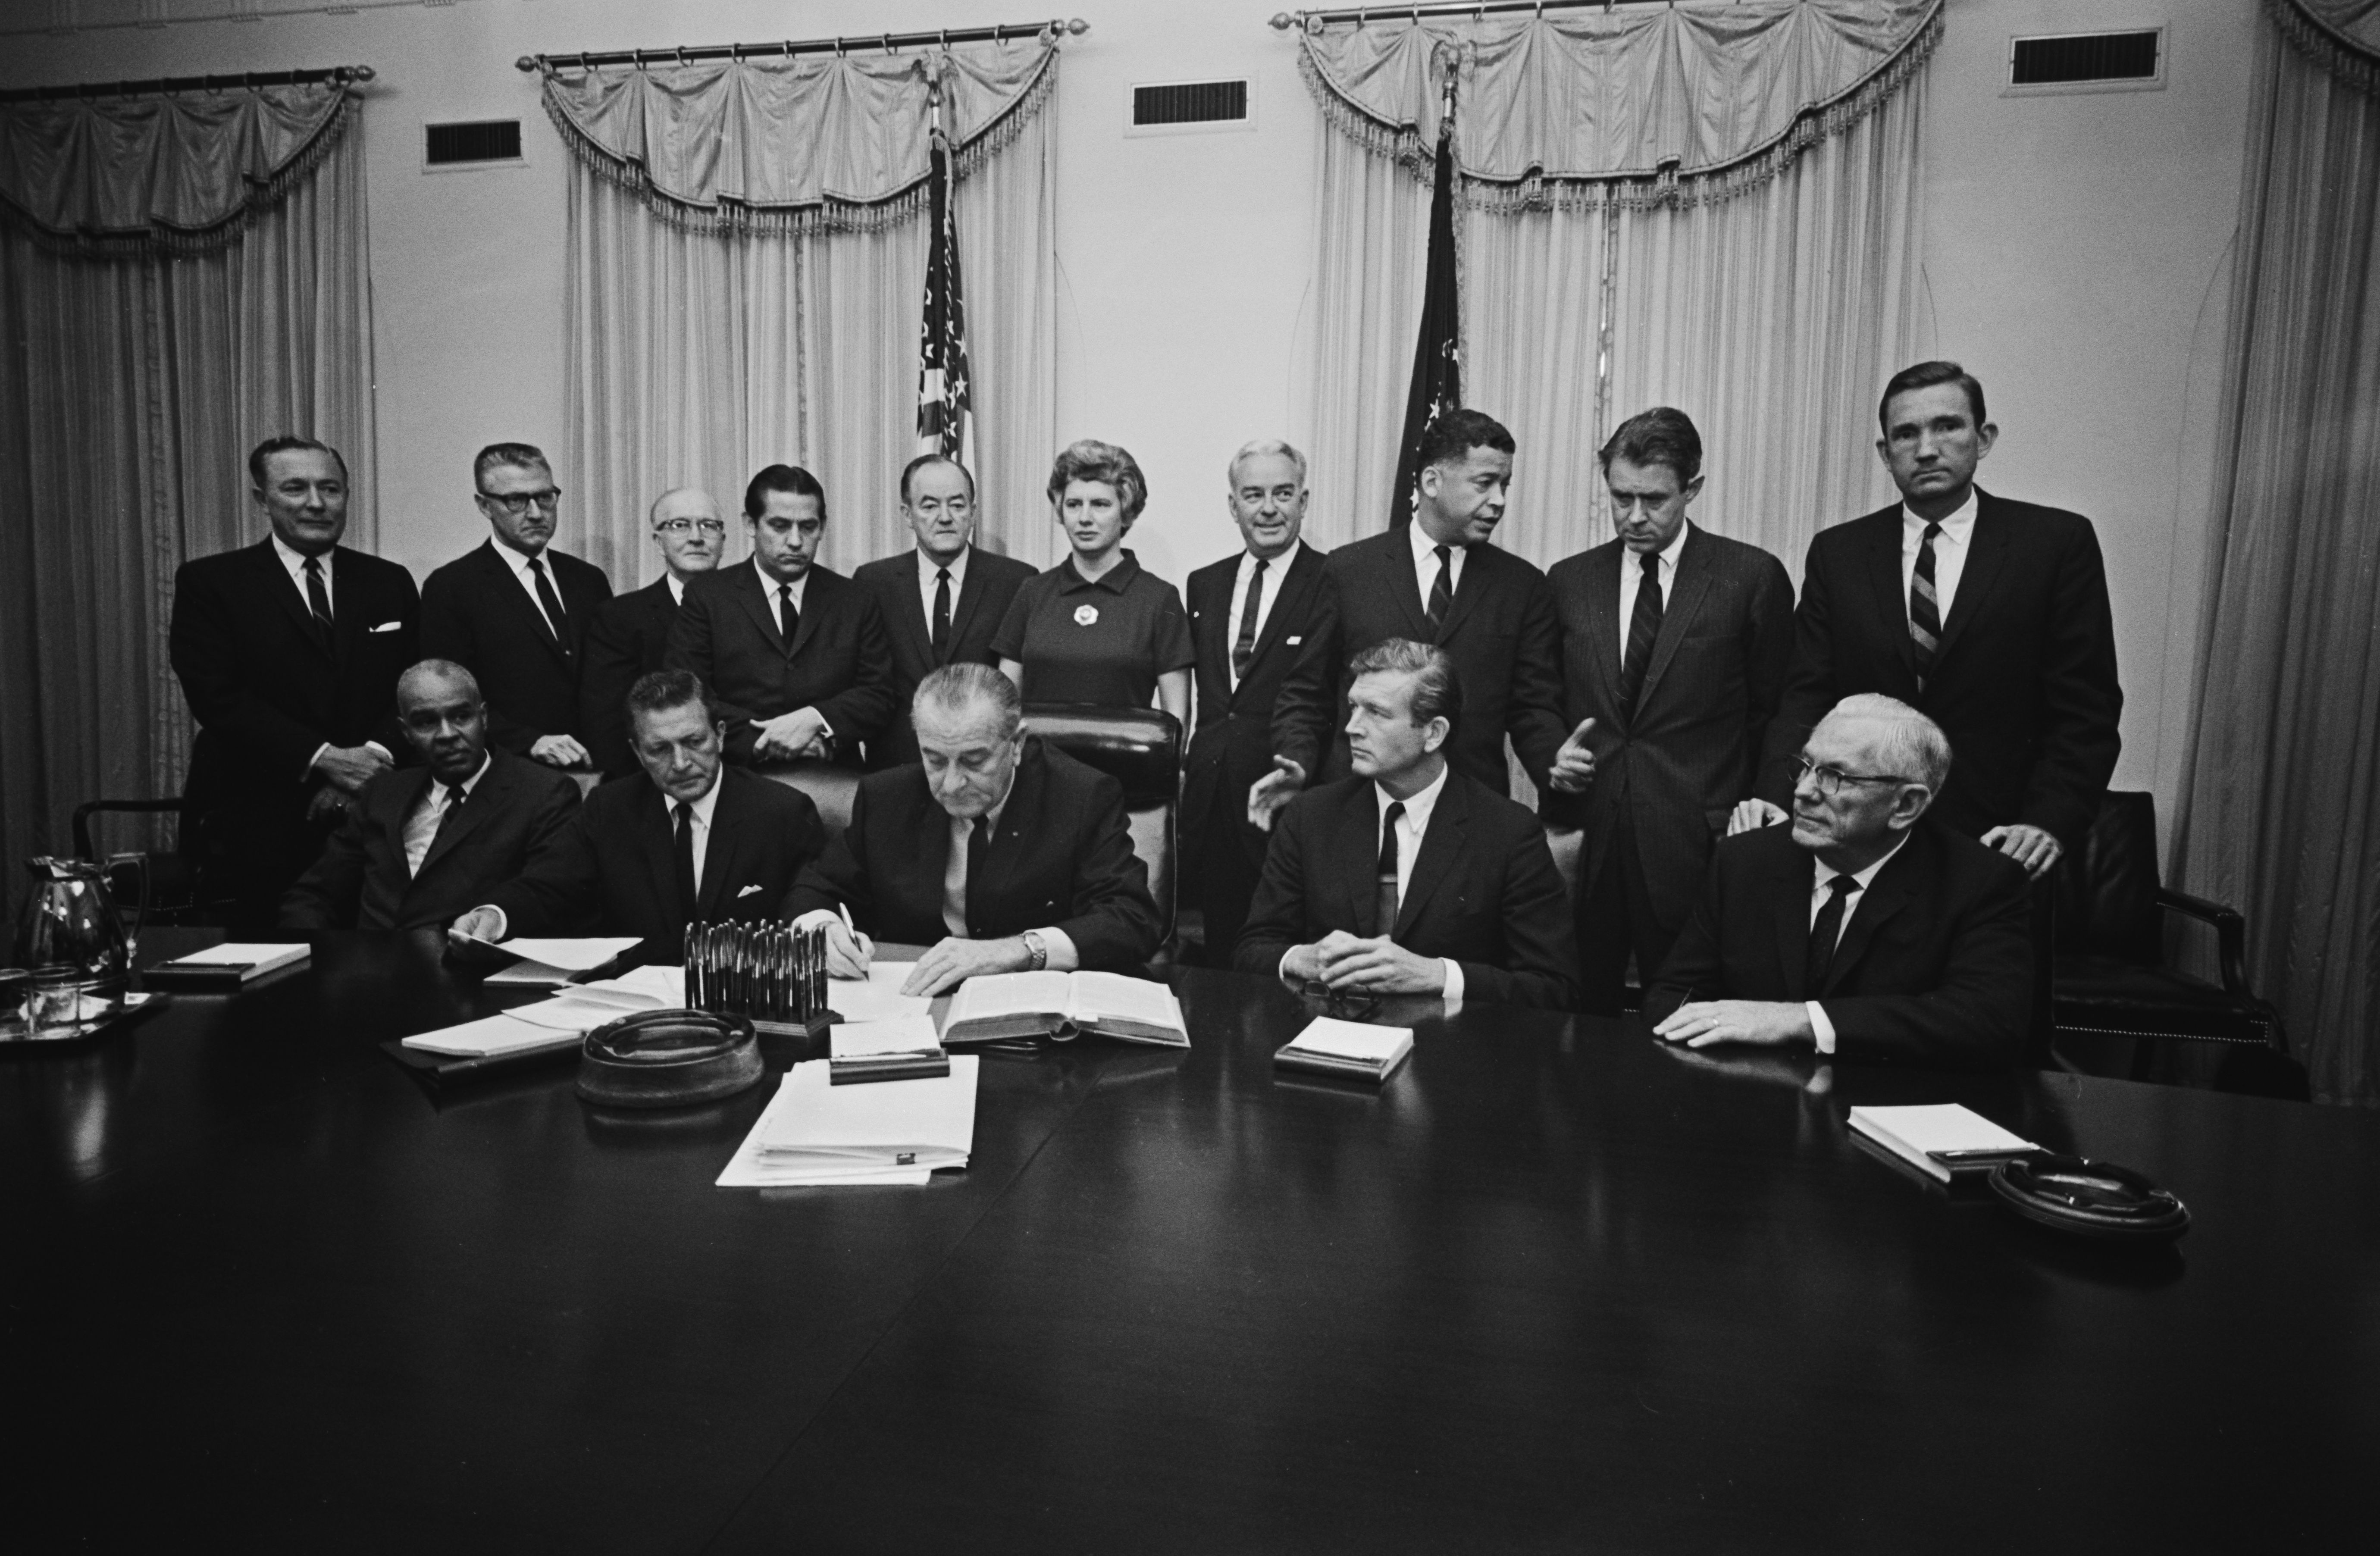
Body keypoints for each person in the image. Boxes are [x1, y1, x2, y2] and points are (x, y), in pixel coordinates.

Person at [1739, 362, 2122, 879]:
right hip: (1859, 841)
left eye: (1947, 426)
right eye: (1906, 433)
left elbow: (2086, 712)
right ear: (1885, 453)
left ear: (1983, 438)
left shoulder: (2054, 545)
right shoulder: (1839, 554)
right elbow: (1805, 695)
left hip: (2000, 846)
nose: (1926, 448)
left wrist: (2047, 823)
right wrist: (1776, 796)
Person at [1543, 408, 1796, 1014]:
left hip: (1698, 840)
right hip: (1592, 838)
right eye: (1620, 497)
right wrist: (1555, 754)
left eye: (1654, 499)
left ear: (1693, 489)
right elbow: (1546, 700)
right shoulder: (1569, 581)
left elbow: (1778, 707)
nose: (1635, 517)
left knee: (1686, 1017)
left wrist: (1765, 803)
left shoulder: (1750, 576)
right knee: (1583, 1016)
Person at [1647, 695, 2033, 1068]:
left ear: (1906, 805)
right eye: (1804, 765)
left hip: (1894, 1104)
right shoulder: (1745, 861)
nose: (1801, 792)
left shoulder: (1979, 882)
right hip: (1755, 1095)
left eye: (1834, 776)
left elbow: (1989, 1022)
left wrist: (1801, 1021)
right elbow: (1672, 995)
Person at [1255, 408, 1565, 830]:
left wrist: (1559, 763)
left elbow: (1533, 710)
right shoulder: (1350, 571)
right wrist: (1297, 762)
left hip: (1470, 818)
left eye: (1505, 486)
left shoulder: (1522, 586)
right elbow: (1308, 692)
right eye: (1485, 484)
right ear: (1433, 482)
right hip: (1358, 808)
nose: (1499, 502)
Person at [1237, 639, 1578, 1010]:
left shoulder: (1508, 831)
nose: (1352, 727)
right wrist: (1304, 958)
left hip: (1448, 1055)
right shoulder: (1311, 816)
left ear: (1433, 733)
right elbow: (1251, 950)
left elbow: (1555, 987)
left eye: (1377, 713)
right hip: (1329, 1044)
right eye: (1353, 707)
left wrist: (1438, 975)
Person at [787, 663, 1163, 998]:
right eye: (934, 759)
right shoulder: (887, 797)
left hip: (1029, 1009)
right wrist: (823, 929)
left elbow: (1131, 918)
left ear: (1016, 744)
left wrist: (1018, 950)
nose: (951, 784)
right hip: (915, 1008)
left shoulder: (1080, 796)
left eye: (974, 760)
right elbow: (816, 888)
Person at [169, 436, 421, 930]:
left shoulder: (389, 581)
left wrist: (365, 764)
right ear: (262, 499)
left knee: (372, 971)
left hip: (372, 810)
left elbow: (411, 685)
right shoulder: (212, 583)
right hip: (258, 812)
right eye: (295, 488)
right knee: (267, 976)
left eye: (330, 488)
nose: (316, 502)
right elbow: (217, 697)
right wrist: (325, 759)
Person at [455, 670, 827, 965]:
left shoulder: (783, 812)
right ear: (636, 751)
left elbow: (813, 909)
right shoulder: (610, 808)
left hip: (744, 1006)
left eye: (695, 742)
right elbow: (549, 886)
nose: (681, 763)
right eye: (660, 749)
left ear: (721, 736)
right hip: (637, 1011)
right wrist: (494, 915)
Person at [280, 660, 580, 932]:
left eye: (462, 716)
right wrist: (321, 960)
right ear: (406, 731)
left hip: (465, 966)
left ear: (484, 717)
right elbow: (315, 895)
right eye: (426, 722)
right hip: (370, 973)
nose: (447, 734)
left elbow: (551, 891)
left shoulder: (542, 792)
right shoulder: (383, 793)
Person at [1182, 439, 1328, 967]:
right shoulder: (1204, 584)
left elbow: (1319, 694)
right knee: (1218, 953)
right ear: (1233, 505)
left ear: (1304, 501)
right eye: (1254, 494)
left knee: (1280, 954)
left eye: (1283, 493)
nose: (1268, 508)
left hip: (1286, 795)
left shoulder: (1333, 581)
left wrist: (1300, 767)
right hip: (1213, 796)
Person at [665, 463, 896, 767]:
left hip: (834, 778)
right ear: (751, 524)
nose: (796, 541)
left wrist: (816, 721)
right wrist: (771, 742)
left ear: (823, 527)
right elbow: (690, 695)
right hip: (740, 777)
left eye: (808, 527)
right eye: (780, 526)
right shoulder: (707, 597)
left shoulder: (855, 599)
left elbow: (878, 694)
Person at [419, 442, 614, 767]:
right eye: (516, 500)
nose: (536, 513)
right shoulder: (452, 587)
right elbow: (450, 700)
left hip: (594, 768)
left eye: (545, 497)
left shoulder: (588, 579)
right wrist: (530, 742)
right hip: (509, 769)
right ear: (484, 506)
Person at [853, 454, 1036, 770]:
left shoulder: (1017, 581)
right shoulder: (873, 582)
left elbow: (1019, 690)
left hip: (982, 767)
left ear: (973, 512)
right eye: (929, 506)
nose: (946, 517)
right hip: (897, 766)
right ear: (907, 514)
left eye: (957, 504)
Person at [991, 440, 1193, 723]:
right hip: (1038, 764)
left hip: (1123, 767)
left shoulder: (1159, 599)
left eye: (1100, 504)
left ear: (1126, 512)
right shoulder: (1032, 592)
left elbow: (1176, 720)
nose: (1085, 518)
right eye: (1074, 504)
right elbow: (1003, 709)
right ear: (1061, 512)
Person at [579, 488, 725, 778]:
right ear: (658, 541)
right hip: (655, 782)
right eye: (680, 525)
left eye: (709, 526)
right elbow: (607, 724)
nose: (696, 537)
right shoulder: (620, 617)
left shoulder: (750, 609)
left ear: (722, 538)